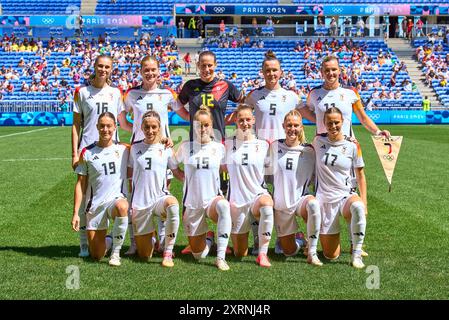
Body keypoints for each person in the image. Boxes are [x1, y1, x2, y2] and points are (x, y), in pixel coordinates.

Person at [298, 55, 390, 257]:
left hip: (347, 149)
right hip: (323, 150)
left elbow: (363, 118)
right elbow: (307, 111)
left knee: (350, 192)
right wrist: (317, 121)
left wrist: (377, 132)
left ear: (340, 71)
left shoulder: (350, 93)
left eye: (334, 69)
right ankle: (315, 237)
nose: (330, 73)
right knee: (323, 195)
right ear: (321, 72)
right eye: (327, 70)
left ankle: (356, 242)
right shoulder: (314, 94)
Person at [71, 54, 131, 257]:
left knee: (115, 195)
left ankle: (115, 244)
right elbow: (75, 124)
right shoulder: (82, 91)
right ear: (94, 67)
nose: (103, 70)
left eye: (107, 67)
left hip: (110, 149)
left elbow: (122, 123)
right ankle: (83, 246)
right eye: (100, 66)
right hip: (87, 151)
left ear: (111, 70)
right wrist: (74, 152)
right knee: (85, 197)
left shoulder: (116, 92)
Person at [122, 55, 181, 255]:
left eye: (153, 69)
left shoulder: (167, 94)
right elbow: (123, 122)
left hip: (161, 151)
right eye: (146, 69)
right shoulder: (132, 94)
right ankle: (135, 242)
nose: (150, 73)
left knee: (163, 193)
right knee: (134, 197)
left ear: (159, 71)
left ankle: (164, 241)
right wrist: (135, 134)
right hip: (138, 153)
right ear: (140, 71)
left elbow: (185, 115)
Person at [171, 106, 232, 271]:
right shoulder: (185, 147)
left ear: (211, 125)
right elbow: (173, 165)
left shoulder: (219, 148)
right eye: (199, 125)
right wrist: (184, 178)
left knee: (224, 206)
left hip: (212, 199)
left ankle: (220, 257)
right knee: (198, 255)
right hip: (192, 203)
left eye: (206, 125)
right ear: (194, 126)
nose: (203, 128)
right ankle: (209, 239)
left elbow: (227, 169)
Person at [71, 112, 129, 266]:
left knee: (123, 206)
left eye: (109, 126)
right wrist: (76, 213)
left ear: (115, 127)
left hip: (115, 202)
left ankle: (116, 254)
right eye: (102, 126)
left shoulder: (124, 149)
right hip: (95, 207)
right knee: (96, 255)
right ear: (97, 127)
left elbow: (145, 146)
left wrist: (164, 140)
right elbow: (80, 184)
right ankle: (109, 240)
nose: (105, 129)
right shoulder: (87, 152)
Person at [312, 107, 367, 269]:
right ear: (324, 123)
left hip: (345, 196)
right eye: (330, 123)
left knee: (357, 206)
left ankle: (356, 254)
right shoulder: (317, 141)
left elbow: (361, 175)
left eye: (336, 122)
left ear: (343, 122)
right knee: (331, 255)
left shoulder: (352, 145)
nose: (333, 126)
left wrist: (364, 201)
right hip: (325, 199)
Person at [128, 111, 182, 267]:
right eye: (147, 127)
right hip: (140, 204)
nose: (150, 131)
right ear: (141, 127)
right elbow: (128, 173)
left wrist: (194, 181)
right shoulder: (134, 148)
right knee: (145, 255)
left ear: (159, 128)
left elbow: (177, 172)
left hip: (159, 198)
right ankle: (152, 237)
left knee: (172, 204)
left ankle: (168, 252)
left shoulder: (166, 149)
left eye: (154, 127)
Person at [268, 110, 322, 266]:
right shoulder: (273, 147)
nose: (292, 128)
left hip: (301, 200)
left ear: (301, 127)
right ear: (283, 126)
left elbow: (317, 178)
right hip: (281, 204)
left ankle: (312, 252)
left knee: (313, 204)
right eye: (289, 125)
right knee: (289, 251)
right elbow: (265, 175)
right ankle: (299, 239)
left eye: (296, 125)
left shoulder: (310, 151)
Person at [224, 104, 274, 267]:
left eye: (247, 119)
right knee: (240, 253)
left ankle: (262, 253)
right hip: (237, 200)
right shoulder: (226, 143)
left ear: (253, 120)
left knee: (267, 205)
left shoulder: (264, 144)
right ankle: (211, 238)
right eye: (241, 120)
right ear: (235, 121)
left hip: (258, 195)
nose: (244, 123)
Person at [244, 50, 302, 142]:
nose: (271, 74)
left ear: (281, 72)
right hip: (261, 148)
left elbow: (313, 116)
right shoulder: (253, 95)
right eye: (267, 70)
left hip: (284, 148)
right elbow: (241, 118)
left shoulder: (292, 96)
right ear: (262, 72)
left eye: (274, 70)